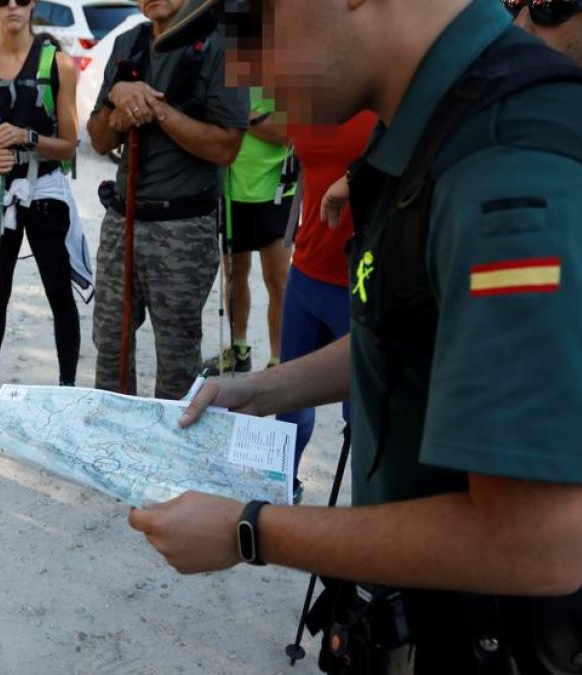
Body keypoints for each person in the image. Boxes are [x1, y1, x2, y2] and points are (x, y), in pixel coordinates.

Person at [129, 0, 582, 672]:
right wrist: (263, 388)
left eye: (254, 22)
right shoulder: (447, 118)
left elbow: (539, 539)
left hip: (507, 643)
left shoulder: (513, 167)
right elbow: (427, 325)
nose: (241, 67)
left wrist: (250, 529)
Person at [87, 0, 247, 400]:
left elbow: (226, 147)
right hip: (122, 220)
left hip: (183, 228)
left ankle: (168, 455)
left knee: (176, 358)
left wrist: (155, 108)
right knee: (110, 344)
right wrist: (116, 99)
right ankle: (112, 446)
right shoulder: (126, 45)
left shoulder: (221, 48)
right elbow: (100, 139)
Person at [0, 0, 89, 414]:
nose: (12, 5)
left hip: (45, 189)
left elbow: (69, 145)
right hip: (0, 190)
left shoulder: (58, 64)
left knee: (57, 292)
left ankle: (67, 387)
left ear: (34, 4)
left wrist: (27, 137)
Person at [271, 110, 375, 499]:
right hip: (306, 269)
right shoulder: (306, 94)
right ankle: (280, 488)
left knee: (362, 417)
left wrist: (353, 178)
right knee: (289, 396)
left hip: (360, 281)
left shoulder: (387, 99)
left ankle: (370, 515)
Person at [201, 87, 293, 375]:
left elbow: (286, 130)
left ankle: (280, 359)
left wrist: (238, 117)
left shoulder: (285, 67)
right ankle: (238, 349)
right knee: (235, 273)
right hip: (231, 188)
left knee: (278, 279)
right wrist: (255, 119)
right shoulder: (228, 69)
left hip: (277, 188)